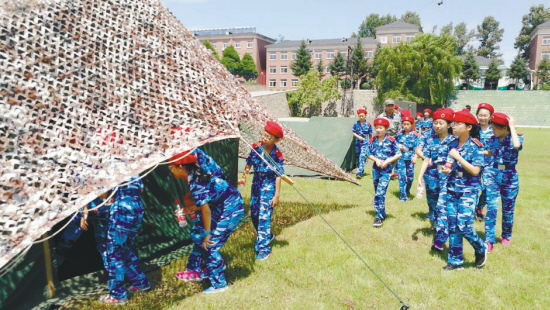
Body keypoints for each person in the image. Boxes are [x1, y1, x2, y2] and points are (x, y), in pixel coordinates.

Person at [170, 150, 244, 293]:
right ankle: (196, 270)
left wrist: (208, 234)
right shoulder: (193, 178)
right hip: (221, 205)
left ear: (180, 167)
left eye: (172, 167)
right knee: (198, 234)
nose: (170, 170)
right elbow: (206, 201)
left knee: (210, 245)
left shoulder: (195, 182)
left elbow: (206, 211)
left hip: (232, 207)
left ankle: (219, 284)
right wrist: (188, 209)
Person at [440, 109, 487, 270]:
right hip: (452, 188)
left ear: (468, 127)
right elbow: (448, 164)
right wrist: (447, 168)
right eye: (453, 124)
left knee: (464, 226)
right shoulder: (451, 143)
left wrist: (458, 157)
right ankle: (455, 261)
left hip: (469, 190)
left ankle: (480, 248)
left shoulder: (476, 146)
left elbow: (475, 171)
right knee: (453, 225)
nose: (454, 126)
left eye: (458, 124)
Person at [101, 176, 151, 305]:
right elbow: (142, 189)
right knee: (125, 249)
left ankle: (117, 295)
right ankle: (140, 282)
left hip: (121, 211)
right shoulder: (130, 166)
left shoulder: (108, 169)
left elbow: (104, 193)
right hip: (136, 208)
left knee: (114, 252)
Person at [240, 121, 284, 260]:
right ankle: (268, 236)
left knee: (264, 216)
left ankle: (264, 249)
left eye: (269, 137)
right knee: (254, 214)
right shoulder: (256, 148)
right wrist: (244, 177)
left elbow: (278, 175)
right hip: (257, 183)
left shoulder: (277, 154)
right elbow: (249, 163)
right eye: (264, 135)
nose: (265, 139)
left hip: (269, 184)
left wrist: (276, 195)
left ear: (276, 140)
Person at [416, 108, 457, 251]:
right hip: (432, 175)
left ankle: (439, 240)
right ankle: (438, 225)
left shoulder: (454, 141)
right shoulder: (430, 140)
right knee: (433, 204)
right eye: (435, 123)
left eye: (441, 123)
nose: (438, 126)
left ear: (449, 125)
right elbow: (426, 159)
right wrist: (420, 177)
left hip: (447, 177)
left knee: (441, 207)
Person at [483, 112, 523, 252]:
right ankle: (489, 240)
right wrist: (480, 152)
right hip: (493, 175)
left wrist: (512, 126)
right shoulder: (492, 139)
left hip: (509, 177)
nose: (492, 130)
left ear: (505, 128)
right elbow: (491, 152)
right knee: (492, 208)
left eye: (495, 128)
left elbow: (516, 145)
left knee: (508, 209)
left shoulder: (516, 138)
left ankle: (506, 235)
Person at [366, 118, 402, 227]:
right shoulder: (372, 140)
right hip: (376, 169)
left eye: (381, 128)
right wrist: (376, 160)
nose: (378, 130)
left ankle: (378, 217)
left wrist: (387, 161)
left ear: (386, 129)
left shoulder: (391, 140)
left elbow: (398, 153)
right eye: (376, 128)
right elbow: (369, 153)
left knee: (380, 193)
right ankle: (383, 212)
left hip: (386, 170)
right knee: (377, 191)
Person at [473, 103, 494, 221]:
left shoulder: (494, 129)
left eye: (485, 115)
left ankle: (479, 207)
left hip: (489, 164)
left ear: (490, 116)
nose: (482, 118)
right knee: (474, 186)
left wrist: (482, 152)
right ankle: (471, 210)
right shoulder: (473, 128)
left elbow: (495, 149)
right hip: (475, 162)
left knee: (487, 187)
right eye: (480, 115)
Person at [395, 116, 418, 201]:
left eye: (408, 124)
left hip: (411, 157)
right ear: (402, 125)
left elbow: (418, 147)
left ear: (411, 125)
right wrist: (398, 146)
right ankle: (403, 196)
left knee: (410, 178)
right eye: (404, 124)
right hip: (401, 157)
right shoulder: (399, 134)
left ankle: (407, 190)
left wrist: (415, 157)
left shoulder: (415, 135)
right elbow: (394, 144)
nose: (406, 126)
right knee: (402, 177)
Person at [351, 109, 373, 179]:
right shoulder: (356, 124)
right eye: (359, 116)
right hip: (358, 142)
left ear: (365, 116)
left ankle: (359, 172)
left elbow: (370, 134)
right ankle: (361, 169)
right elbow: (353, 132)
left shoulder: (368, 124)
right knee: (358, 157)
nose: (361, 117)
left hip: (365, 141)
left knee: (362, 156)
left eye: (362, 116)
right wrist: (358, 137)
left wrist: (370, 142)